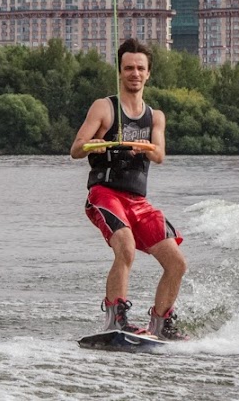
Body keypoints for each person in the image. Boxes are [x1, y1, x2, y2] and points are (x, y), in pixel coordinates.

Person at [70, 38, 188, 340]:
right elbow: (76, 149)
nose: (134, 73)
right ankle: (115, 318)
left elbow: (159, 155)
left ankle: (160, 323)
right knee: (125, 247)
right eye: (128, 68)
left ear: (148, 73)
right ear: (120, 72)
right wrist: (102, 143)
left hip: (138, 202)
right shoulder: (104, 108)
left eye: (140, 68)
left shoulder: (155, 116)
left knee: (176, 262)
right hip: (105, 195)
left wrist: (141, 146)